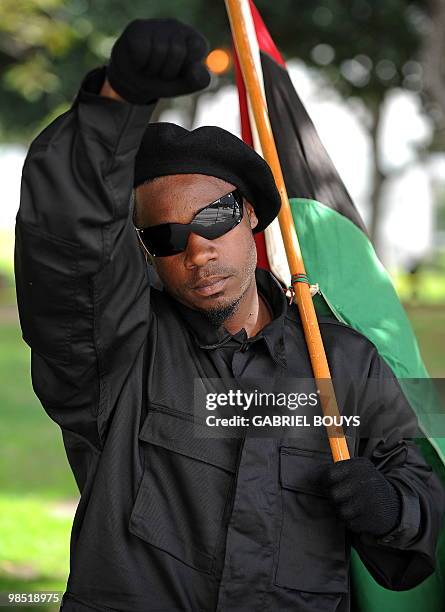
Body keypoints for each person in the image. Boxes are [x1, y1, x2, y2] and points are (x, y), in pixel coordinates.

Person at [14, 17, 445, 612]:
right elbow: (69, 245)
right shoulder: (118, 352)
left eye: (214, 218)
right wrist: (118, 103)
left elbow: (417, 489)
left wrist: (393, 507)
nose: (197, 250)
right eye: (166, 236)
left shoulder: (344, 361)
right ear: (145, 251)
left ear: (250, 218)